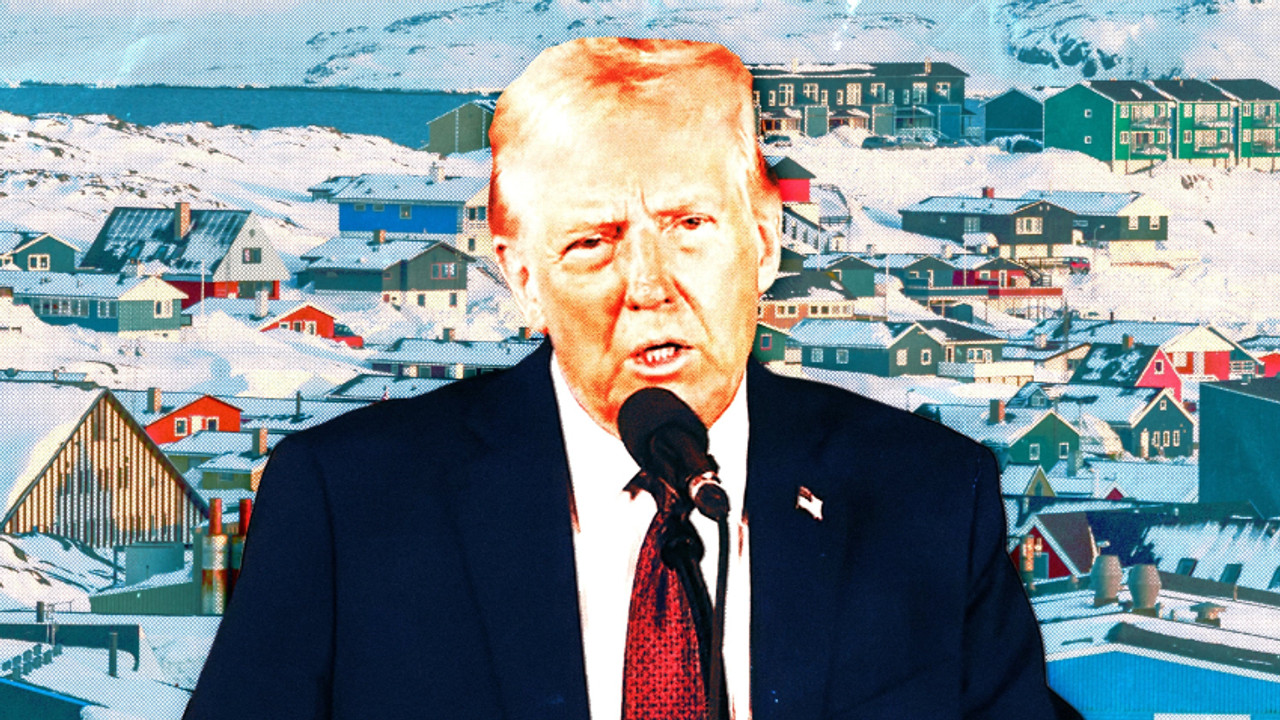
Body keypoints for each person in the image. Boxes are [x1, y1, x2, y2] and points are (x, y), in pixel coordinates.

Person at [185, 38, 1080, 719]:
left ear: (764, 243)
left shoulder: (927, 497)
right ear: (523, 278)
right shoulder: (350, 504)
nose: (649, 286)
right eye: (593, 242)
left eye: (689, 225)